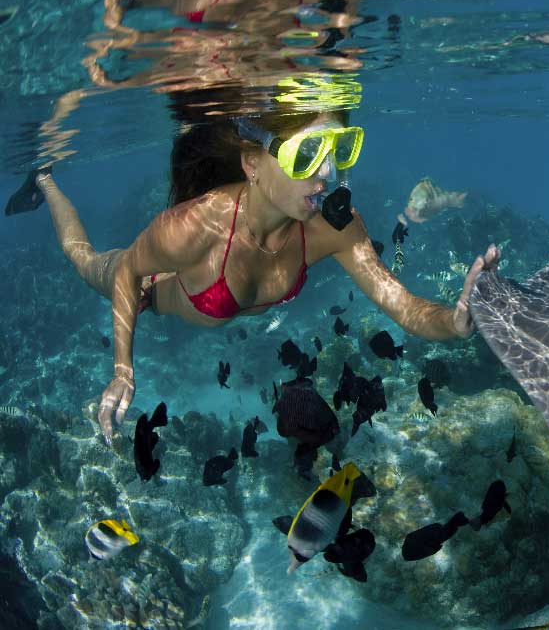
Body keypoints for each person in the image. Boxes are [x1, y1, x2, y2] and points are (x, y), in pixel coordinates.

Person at [5, 107, 499, 443]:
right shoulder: (196, 224)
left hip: (190, 284)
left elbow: (403, 305)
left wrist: (454, 323)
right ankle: (45, 178)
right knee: (81, 256)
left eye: (339, 151)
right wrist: (122, 370)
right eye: (307, 155)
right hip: (147, 288)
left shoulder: (334, 227)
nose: (325, 175)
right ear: (252, 164)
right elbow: (130, 271)